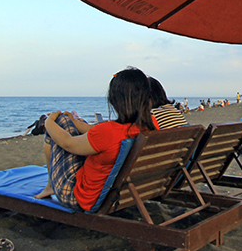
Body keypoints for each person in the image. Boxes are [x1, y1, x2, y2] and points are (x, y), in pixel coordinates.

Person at [34, 67, 154, 211]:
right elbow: (97, 134)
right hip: (123, 191)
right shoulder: (150, 125)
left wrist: (48, 123)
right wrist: (77, 123)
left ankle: (50, 185)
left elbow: (68, 143)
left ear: (115, 100)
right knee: (75, 124)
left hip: (80, 197)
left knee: (62, 122)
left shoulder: (108, 132)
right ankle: (49, 185)